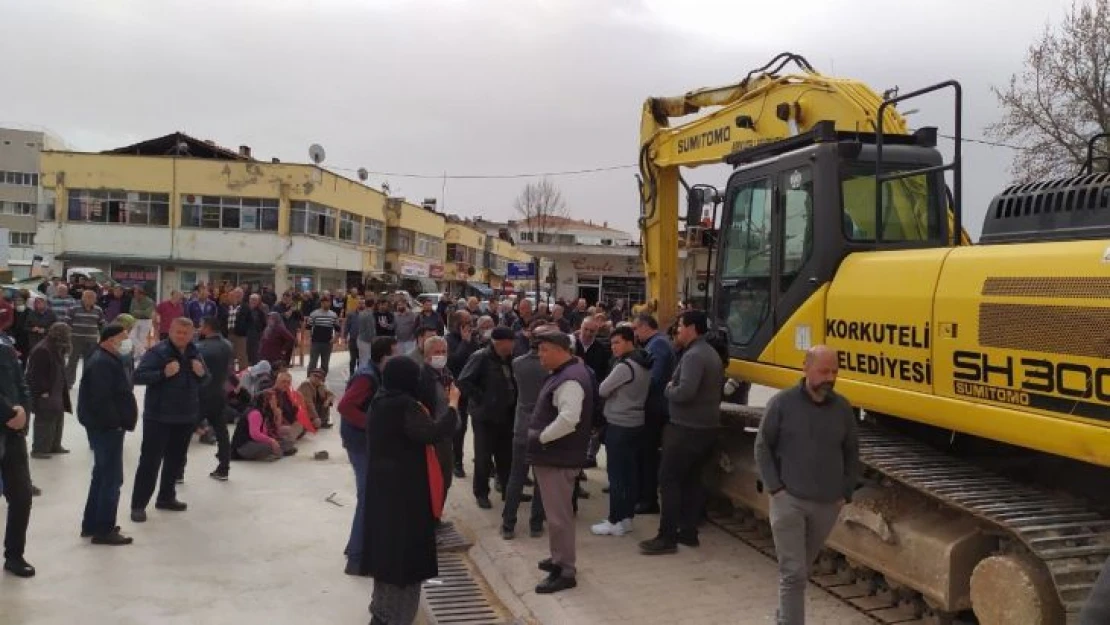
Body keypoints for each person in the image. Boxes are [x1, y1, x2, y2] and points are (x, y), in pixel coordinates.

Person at [755, 345, 859, 625]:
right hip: (790, 500)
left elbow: (852, 452)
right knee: (793, 572)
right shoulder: (782, 403)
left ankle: (784, 616)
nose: (830, 377)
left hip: (827, 504)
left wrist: (845, 492)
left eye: (834, 372)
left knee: (802, 568)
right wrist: (776, 489)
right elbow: (763, 446)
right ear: (806, 367)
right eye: (824, 370)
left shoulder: (843, 409)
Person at [360, 356, 459, 625]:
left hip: (383, 490)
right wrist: (453, 405)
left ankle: (381, 613)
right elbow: (433, 433)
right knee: (404, 562)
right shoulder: (404, 406)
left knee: (386, 557)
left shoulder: (380, 400)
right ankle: (395, 618)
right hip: (405, 495)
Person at [640, 310, 724, 556]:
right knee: (691, 481)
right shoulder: (708, 352)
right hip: (704, 428)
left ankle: (666, 537)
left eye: (680, 326)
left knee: (669, 480)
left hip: (687, 429)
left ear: (692, 328)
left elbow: (685, 392)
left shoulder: (695, 355)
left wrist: (668, 389)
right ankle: (688, 532)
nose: (677, 330)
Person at [526, 330, 593, 594]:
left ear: (559, 349)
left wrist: (542, 437)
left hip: (557, 457)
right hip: (554, 456)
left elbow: (568, 419)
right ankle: (557, 558)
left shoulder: (570, 380)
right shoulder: (567, 373)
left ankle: (565, 570)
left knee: (558, 517)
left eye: (543, 350)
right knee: (556, 515)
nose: (539, 355)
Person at [130, 317, 209, 523]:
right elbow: (138, 376)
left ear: (192, 334)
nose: (182, 336)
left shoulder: (195, 352)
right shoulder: (158, 352)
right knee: (150, 462)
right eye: (178, 332)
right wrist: (162, 373)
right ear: (171, 332)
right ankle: (138, 505)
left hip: (185, 416)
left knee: (176, 460)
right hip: (158, 417)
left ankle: (166, 497)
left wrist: (201, 374)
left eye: (186, 333)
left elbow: (206, 379)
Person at [338, 336, 397, 576]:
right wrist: (372, 424)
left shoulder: (375, 373)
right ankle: (357, 558)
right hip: (360, 443)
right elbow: (345, 406)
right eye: (393, 354)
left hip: (364, 441)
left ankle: (356, 546)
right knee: (368, 497)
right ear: (383, 356)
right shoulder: (367, 377)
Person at [77, 324, 139, 545]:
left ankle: (92, 523)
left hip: (103, 426)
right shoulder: (102, 362)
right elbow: (101, 400)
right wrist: (116, 423)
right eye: (123, 338)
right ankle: (104, 529)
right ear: (109, 340)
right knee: (111, 478)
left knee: (101, 475)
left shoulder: (104, 358)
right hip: (106, 428)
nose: (126, 343)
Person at [591, 325, 652, 537]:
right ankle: (626, 519)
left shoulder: (625, 366)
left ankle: (614, 520)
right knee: (630, 474)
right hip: (636, 423)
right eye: (612, 343)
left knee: (616, 476)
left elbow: (602, 389)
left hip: (619, 424)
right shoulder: (644, 361)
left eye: (617, 342)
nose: (613, 347)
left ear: (629, 341)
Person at [457, 326, 518, 509]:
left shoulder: (510, 358)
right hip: (485, 417)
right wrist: (483, 398)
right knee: (484, 457)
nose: (511, 348)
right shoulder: (481, 357)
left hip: (507, 415)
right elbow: (463, 382)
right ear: (498, 343)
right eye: (508, 345)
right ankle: (481, 493)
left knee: (506, 455)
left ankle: (509, 490)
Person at [500, 320, 549, 540]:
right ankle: (536, 524)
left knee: (516, 478)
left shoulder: (518, 363)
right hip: (544, 428)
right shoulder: (549, 367)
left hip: (521, 427)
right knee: (541, 479)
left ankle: (508, 524)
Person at [632, 313, 675, 515]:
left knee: (648, 454)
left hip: (654, 408)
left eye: (636, 329)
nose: (635, 333)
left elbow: (654, 378)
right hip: (654, 407)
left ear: (645, 326)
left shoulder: (657, 345)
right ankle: (644, 496)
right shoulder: (657, 343)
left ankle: (648, 500)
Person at [0, 335, 34, 577]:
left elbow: (22, 385)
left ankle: (14, 554)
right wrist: (9, 413)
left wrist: (23, 417)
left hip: (13, 434)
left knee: (21, 495)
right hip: (8, 419)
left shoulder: (6, 345)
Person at [196, 316, 234, 481]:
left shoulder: (200, 347)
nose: (199, 328)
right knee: (222, 432)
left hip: (200, 394)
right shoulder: (227, 345)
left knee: (182, 433)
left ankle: (177, 472)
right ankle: (224, 467)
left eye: (201, 325)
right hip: (219, 392)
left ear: (207, 327)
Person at [26, 323, 72, 458]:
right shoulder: (43, 349)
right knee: (45, 420)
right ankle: (39, 449)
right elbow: (35, 374)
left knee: (57, 417)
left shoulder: (55, 347)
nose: (69, 337)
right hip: (46, 391)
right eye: (67, 334)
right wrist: (43, 391)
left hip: (55, 389)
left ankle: (54, 445)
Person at [445, 311, 479, 479]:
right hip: (456, 389)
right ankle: (456, 461)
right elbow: (453, 361)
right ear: (458, 324)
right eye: (466, 323)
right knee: (459, 427)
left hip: (472, 388)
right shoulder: (448, 340)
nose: (470, 326)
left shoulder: (472, 339)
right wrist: (465, 343)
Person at [230, 389, 297, 460]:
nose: (276, 402)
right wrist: (271, 441)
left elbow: (272, 429)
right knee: (270, 446)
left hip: (254, 441)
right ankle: (276, 452)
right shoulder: (255, 413)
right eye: (273, 400)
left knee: (284, 442)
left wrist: (277, 413)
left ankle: (279, 451)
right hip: (244, 446)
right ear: (266, 401)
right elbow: (255, 434)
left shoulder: (265, 411)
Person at [307, 298, 340, 374]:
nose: (326, 304)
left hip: (328, 343)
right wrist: (309, 338)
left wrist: (334, 339)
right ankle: (309, 379)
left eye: (328, 302)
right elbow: (308, 327)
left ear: (330, 303)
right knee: (313, 362)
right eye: (324, 302)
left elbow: (338, 329)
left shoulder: (333, 315)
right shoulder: (314, 313)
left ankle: (322, 380)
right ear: (321, 303)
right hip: (316, 342)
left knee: (325, 364)